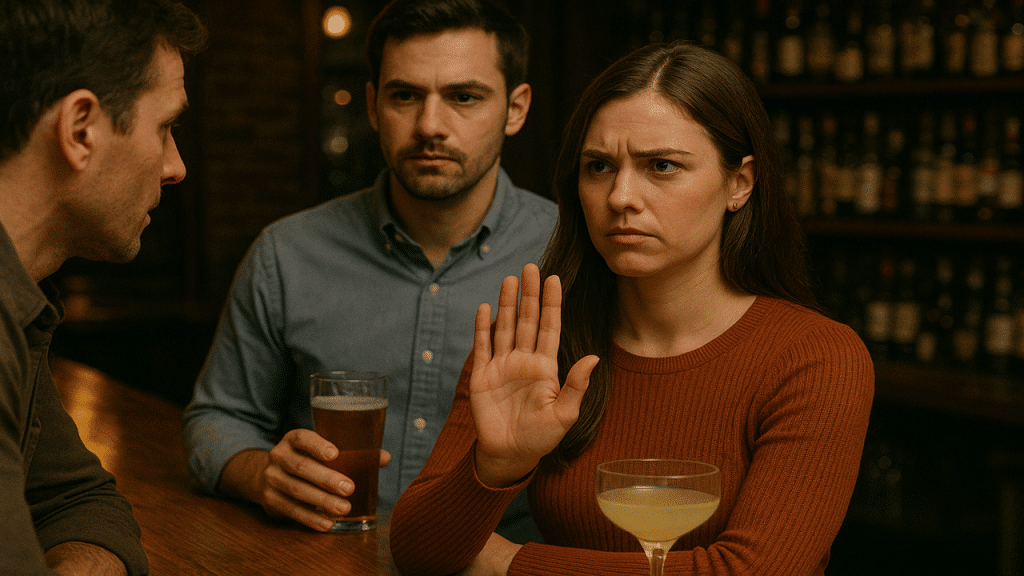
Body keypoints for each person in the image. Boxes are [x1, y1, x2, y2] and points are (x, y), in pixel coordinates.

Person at [389, 41, 875, 575]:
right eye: (598, 167)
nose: (620, 196)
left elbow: (748, 572)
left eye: (661, 165)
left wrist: (511, 565)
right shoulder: (536, 340)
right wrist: (495, 466)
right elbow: (416, 555)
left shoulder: (816, 358)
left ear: (739, 183)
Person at [182, 0, 556, 537]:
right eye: (405, 96)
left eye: (464, 97)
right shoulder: (287, 253)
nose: (431, 125)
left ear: (515, 109)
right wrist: (262, 473)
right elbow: (215, 419)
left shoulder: (570, 255)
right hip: (324, 561)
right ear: (374, 106)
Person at [0, 1, 206, 574]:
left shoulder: (19, 296)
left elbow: (77, 501)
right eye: (165, 127)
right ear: (80, 130)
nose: (176, 165)